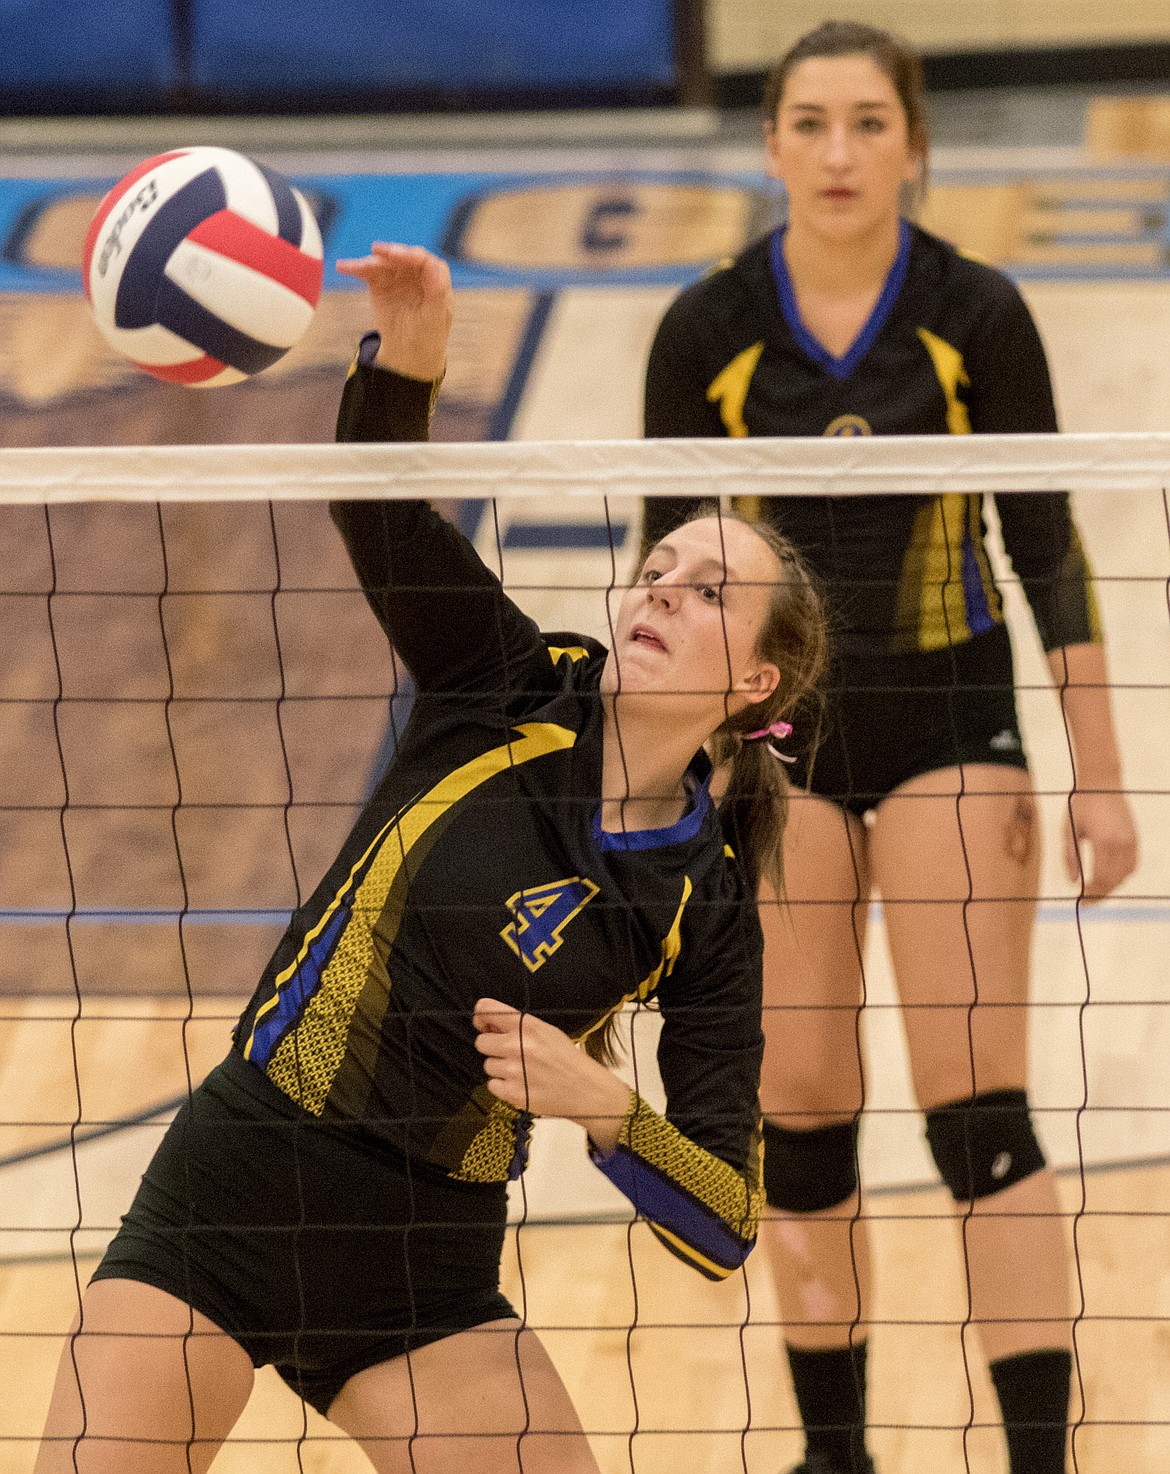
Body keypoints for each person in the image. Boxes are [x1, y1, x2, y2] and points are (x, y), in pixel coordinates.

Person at [34, 241, 827, 1474]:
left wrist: (605, 1108)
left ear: (755, 681)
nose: (663, 591)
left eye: (710, 592)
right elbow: (379, 507)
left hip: (424, 1261)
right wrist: (408, 360)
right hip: (241, 1182)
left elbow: (727, 1217)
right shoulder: (502, 685)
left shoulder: (703, 904)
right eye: (659, 568)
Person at [641, 21, 1139, 1474]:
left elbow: (1045, 545)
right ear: (771, 142)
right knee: (797, 1118)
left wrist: (1100, 773)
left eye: (869, 123)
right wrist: (662, 785)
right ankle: (833, 1457)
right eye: (811, 122)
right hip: (774, 748)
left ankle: (1039, 1457)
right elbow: (664, 574)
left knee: (976, 1113)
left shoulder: (973, 314)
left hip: (951, 724)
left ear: (914, 142)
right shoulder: (705, 331)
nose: (841, 152)